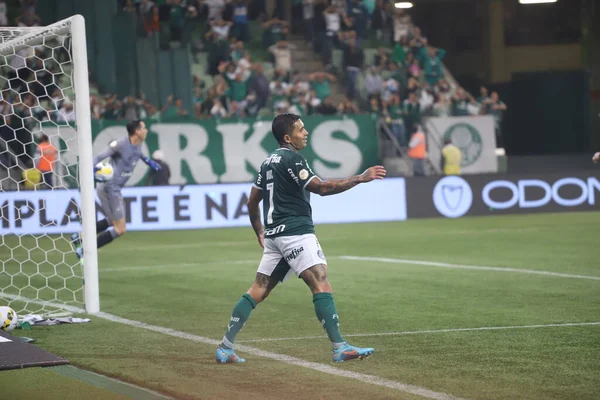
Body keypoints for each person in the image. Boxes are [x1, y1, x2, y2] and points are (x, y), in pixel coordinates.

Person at [215, 113, 387, 364]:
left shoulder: (267, 162)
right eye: (300, 129)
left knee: (258, 289)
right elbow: (322, 188)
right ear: (288, 137)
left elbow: (252, 201)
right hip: (296, 232)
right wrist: (360, 178)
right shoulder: (293, 159)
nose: (305, 132)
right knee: (321, 282)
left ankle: (225, 347)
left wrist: (260, 231)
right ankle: (339, 347)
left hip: (274, 236)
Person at [71, 120, 161, 258]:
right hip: (110, 188)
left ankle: (80, 237)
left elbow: (138, 154)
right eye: (144, 128)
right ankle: (86, 250)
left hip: (112, 188)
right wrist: (89, 171)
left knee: (113, 220)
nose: (146, 130)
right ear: (137, 131)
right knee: (120, 228)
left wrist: (148, 161)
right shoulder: (119, 145)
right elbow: (99, 157)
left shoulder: (138, 143)